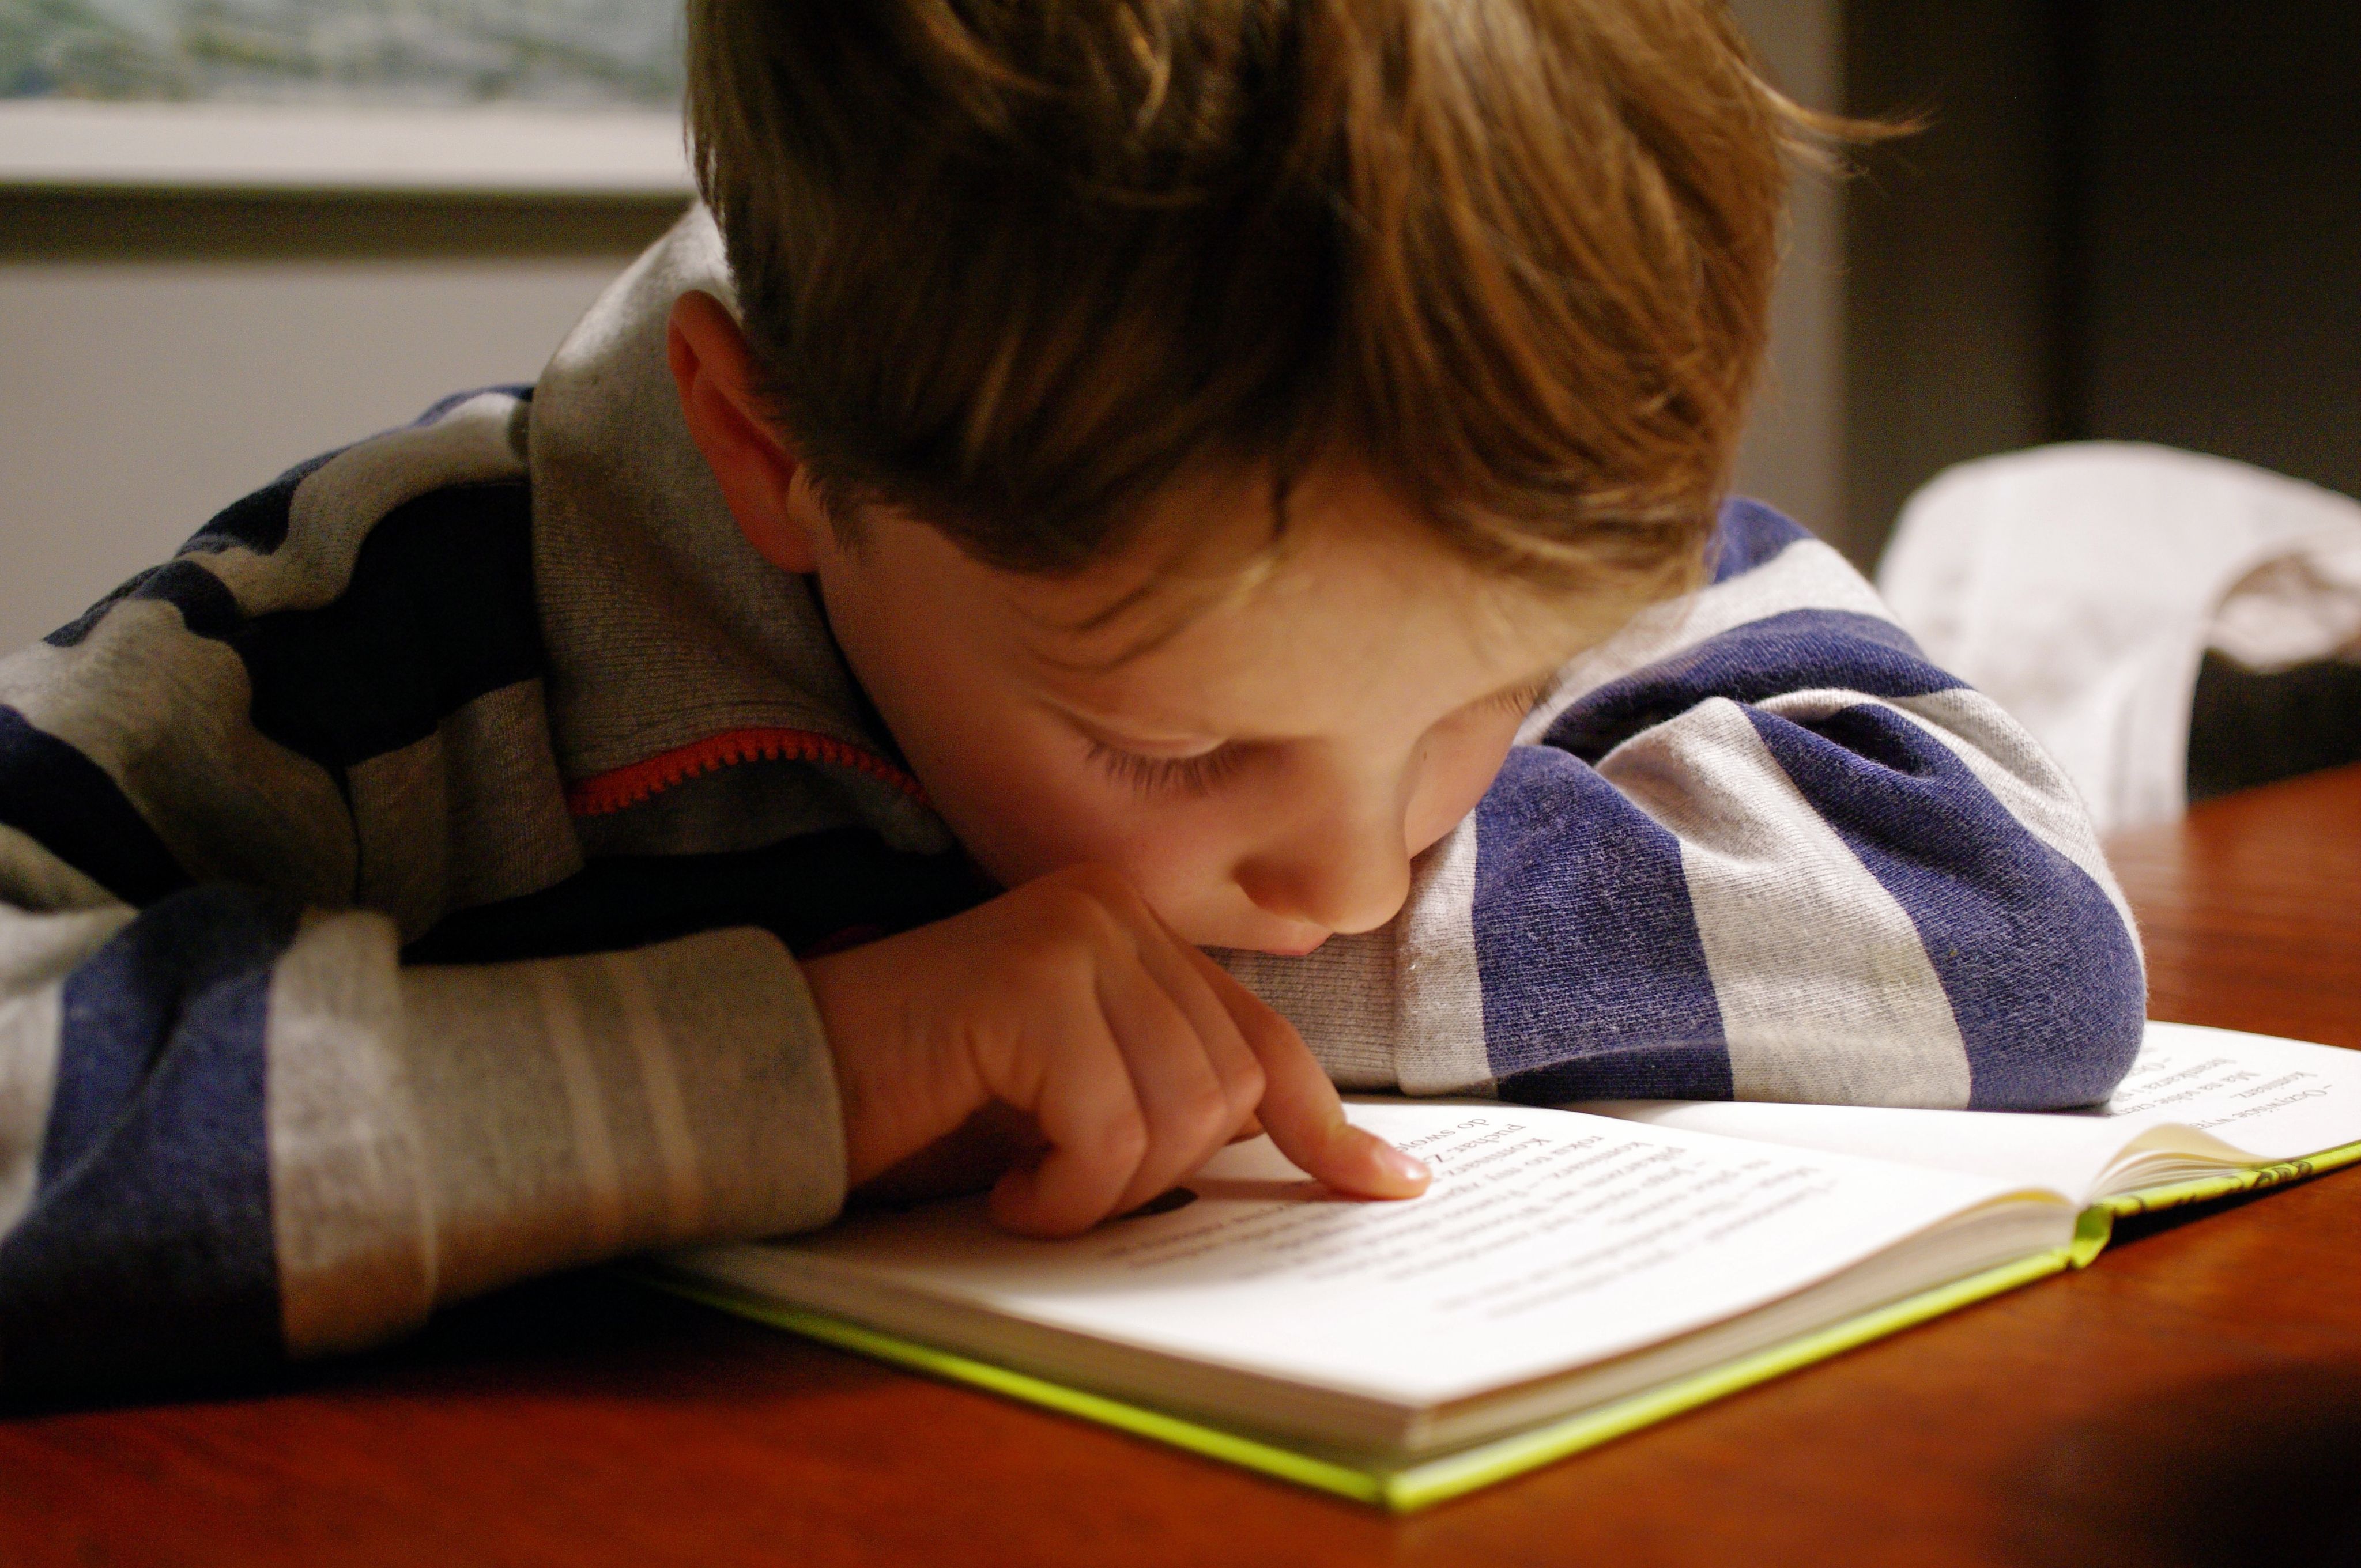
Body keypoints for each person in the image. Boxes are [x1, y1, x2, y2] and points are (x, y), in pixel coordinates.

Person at [0, 1, 2144, 1398]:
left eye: (1492, 694)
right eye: (1182, 745)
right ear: (769, 452)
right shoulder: (367, 638)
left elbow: (2017, 919)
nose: (1352, 876)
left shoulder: (1469, 474)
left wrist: (1154, 996)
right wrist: (812, 1050)